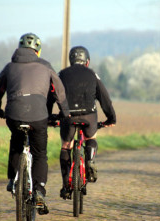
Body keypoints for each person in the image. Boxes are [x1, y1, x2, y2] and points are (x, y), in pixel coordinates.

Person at [0, 33, 70, 212]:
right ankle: (39, 190)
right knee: (39, 153)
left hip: (14, 113)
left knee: (16, 144)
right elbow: (59, 91)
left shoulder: (9, 67)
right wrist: (64, 114)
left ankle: (12, 179)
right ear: (38, 51)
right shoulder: (46, 67)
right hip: (38, 115)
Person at [48, 46, 116, 200]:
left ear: (71, 60)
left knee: (66, 146)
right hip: (89, 115)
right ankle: (90, 160)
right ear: (87, 61)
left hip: (68, 116)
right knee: (91, 138)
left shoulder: (62, 74)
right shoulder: (92, 75)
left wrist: (49, 116)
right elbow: (104, 98)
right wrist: (111, 118)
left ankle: (66, 185)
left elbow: (52, 95)